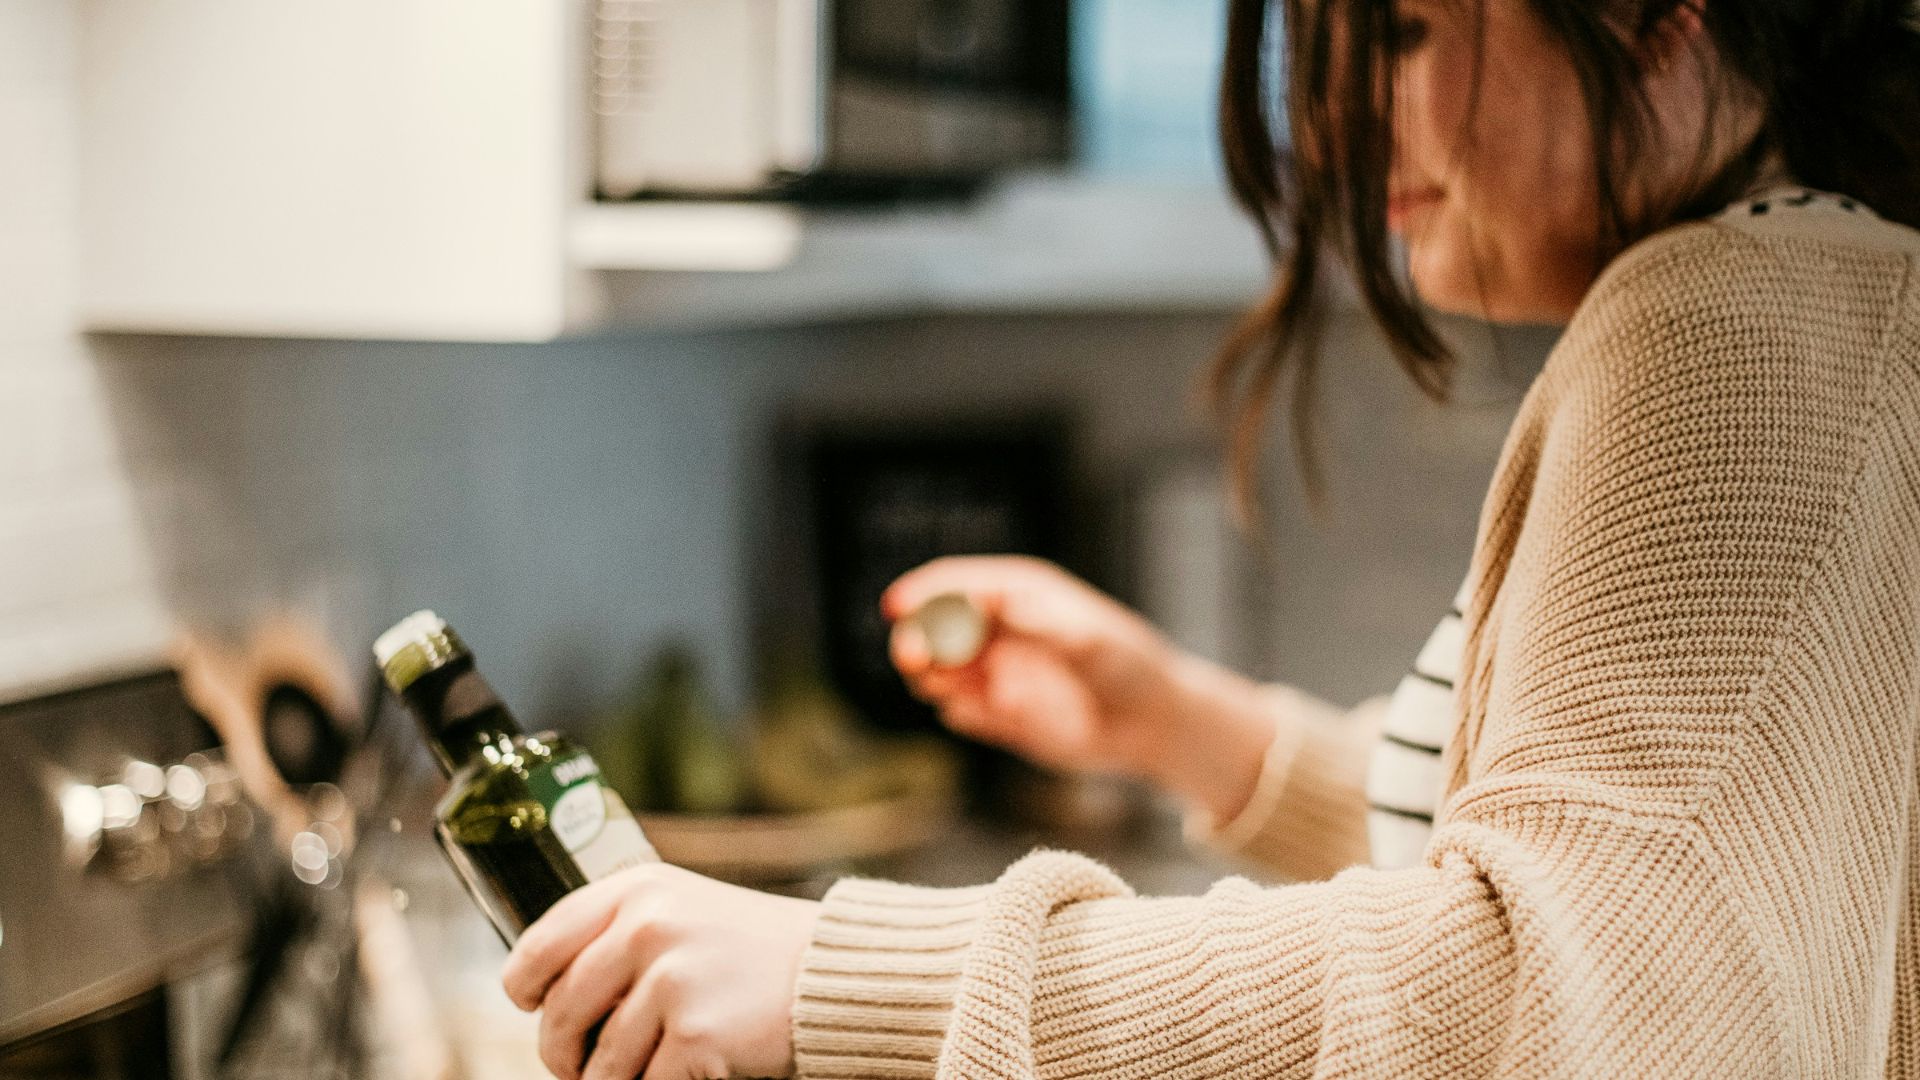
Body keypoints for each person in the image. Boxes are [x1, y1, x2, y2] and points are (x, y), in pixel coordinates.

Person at [498, 0, 1920, 1075]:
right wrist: (1190, 727)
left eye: (1408, 31)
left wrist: (842, 975)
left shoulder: (1724, 325)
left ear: (1663, 28)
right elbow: (1637, 848)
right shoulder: (1830, 294)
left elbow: (1557, 999)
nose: (1335, 127)